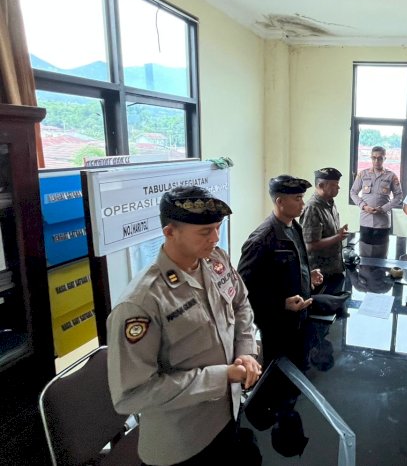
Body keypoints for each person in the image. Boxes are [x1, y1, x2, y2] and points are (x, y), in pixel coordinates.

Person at [107, 186, 262, 466]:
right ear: (169, 232)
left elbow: (240, 304)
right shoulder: (141, 303)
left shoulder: (216, 260)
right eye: (205, 232)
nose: (215, 238)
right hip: (184, 441)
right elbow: (132, 395)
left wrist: (246, 352)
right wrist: (221, 376)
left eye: (218, 228)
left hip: (230, 414)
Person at [237, 175, 324, 369]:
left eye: (302, 197)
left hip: (299, 319)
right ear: (280, 201)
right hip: (277, 324)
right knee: (278, 377)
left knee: (299, 369)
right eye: (297, 198)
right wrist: (280, 303)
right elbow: (242, 290)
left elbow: (288, 268)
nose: (303, 203)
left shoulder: (294, 226)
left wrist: (307, 276)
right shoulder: (261, 240)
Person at [300, 167, 348, 293]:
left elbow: (327, 232)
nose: (338, 188)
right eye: (334, 185)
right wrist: (337, 237)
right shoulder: (313, 208)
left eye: (338, 184)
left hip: (334, 268)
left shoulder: (330, 203)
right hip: (319, 274)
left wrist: (338, 234)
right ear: (321, 185)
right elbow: (310, 245)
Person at [350, 145, 403, 243]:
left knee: (381, 252)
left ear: (384, 159)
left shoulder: (391, 176)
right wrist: (364, 206)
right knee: (364, 251)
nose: (376, 161)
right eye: (374, 158)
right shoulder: (363, 174)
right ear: (371, 158)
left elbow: (399, 196)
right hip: (365, 221)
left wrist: (383, 208)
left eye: (380, 158)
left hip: (382, 222)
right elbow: (353, 193)